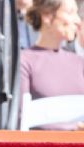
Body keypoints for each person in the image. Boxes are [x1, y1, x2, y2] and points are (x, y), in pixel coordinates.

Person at [20, 0, 84, 129]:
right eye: (70, 12)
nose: (78, 21)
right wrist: (73, 128)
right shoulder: (24, 61)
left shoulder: (80, 63)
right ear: (47, 16)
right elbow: (20, 120)